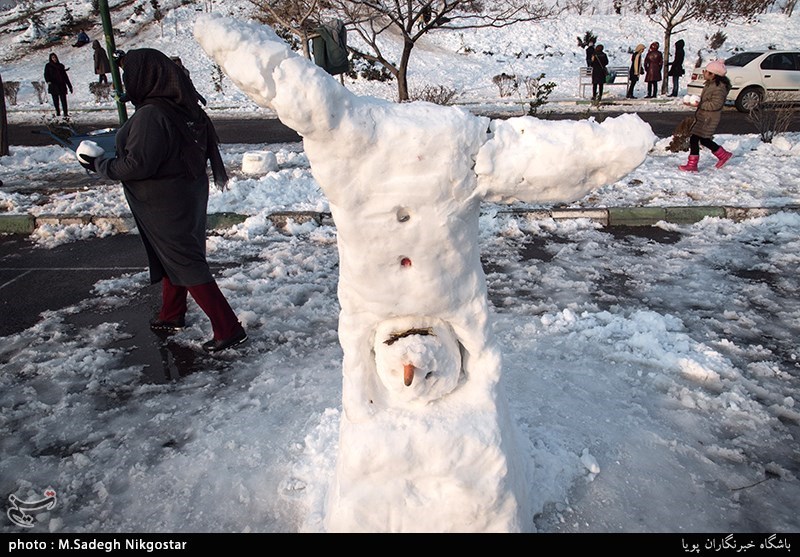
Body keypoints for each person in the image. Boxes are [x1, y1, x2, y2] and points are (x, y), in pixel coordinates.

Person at [76, 48, 246, 353]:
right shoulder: (184, 105)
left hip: (164, 200)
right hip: (187, 191)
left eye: (130, 74)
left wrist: (99, 164)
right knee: (174, 255)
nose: (128, 80)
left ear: (146, 76)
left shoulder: (152, 114)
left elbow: (137, 165)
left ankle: (228, 328)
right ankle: (171, 314)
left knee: (185, 261)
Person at [678, 59, 733, 172]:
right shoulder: (711, 84)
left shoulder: (719, 87)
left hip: (709, 119)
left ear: (714, 74)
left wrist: (700, 104)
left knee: (696, 139)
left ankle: (692, 165)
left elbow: (716, 104)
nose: (704, 73)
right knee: (703, 140)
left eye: (706, 71)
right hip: (704, 117)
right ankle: (723, 155)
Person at [43, 53, 73, 117]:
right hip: (54, 85)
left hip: (61, 85)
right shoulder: (48, 66)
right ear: (51, 58)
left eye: (55, 57)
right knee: (56, 101)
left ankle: (65, 113)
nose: (54, 59)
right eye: (53, 58)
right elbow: (46, 74)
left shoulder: (61, 66)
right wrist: (48, 81)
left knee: (64, 100)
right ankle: (58, 112)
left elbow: (65, 77)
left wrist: (69, 86)